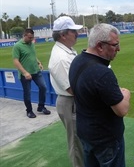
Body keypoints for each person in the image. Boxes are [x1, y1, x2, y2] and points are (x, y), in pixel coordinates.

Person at [69, 23, 131, 167]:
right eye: (115, 45)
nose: (119, 49)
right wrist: (126, 95)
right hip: (105, 139)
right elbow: (122, 110)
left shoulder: (77, 61)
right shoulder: (102, 73)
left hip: (86, 132)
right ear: (100, 46)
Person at [48, 16, 84, 167]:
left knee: (81, 140)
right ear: (63, 35)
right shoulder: (61, 58)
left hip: (72, 102)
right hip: (70, 102)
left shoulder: (67, 51)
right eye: (73, 31)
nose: (77, 33)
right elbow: (72, 89)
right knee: (76, 143)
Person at [12, 28, 51, 118]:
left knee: (43, 87)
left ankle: (41, 106)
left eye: (32, 38)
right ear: (24, 35)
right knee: (27, 93)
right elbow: (16, 61)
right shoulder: (17, 46)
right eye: (29, 38)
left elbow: (32, 55)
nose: (31, 39)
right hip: (25, 74)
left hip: (36, 71)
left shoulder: (31, 44)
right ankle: (29, 111)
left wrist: (39, 62)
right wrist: (25, 73)